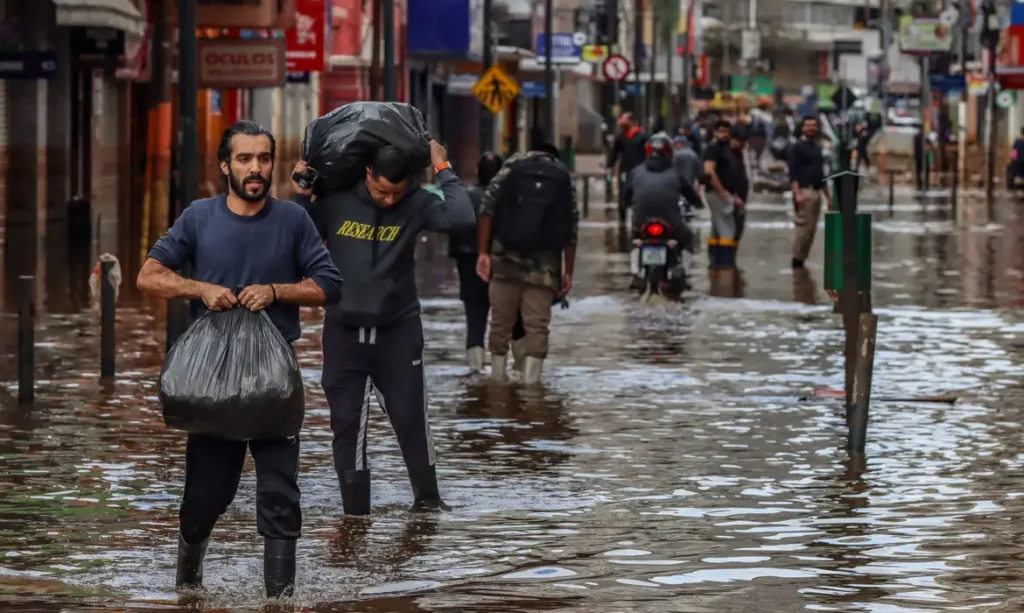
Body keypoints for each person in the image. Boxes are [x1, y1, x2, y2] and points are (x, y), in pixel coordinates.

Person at [136, 120, 344, 598]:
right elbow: (149, 276)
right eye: (245, 159)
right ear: (225, 165)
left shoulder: (294, 220)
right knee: (205, 498)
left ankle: (280, 599)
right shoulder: (199, 217)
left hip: (274, 382)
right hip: (212, 386)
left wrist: (276, 291)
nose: (256, 169)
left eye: (264, 159)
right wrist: (201, 288)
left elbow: (329, 285)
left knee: (280, 495)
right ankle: (187, 587)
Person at [292, 140, 474, 517]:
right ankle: (355, 517)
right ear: (367, 174)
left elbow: (462, 219)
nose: (389, 200)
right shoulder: (336, 200)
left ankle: (427, 505)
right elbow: (294, 235)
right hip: (343, 331)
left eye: (397, 192)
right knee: (347, 424)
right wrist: (302, 193)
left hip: (398, 330)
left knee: (410, 418)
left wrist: (443, 167)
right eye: (381, 191)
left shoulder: (418, 202)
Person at [476, 143, 578, 384]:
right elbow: (572, 228)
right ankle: (532, 390)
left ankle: (497, 385)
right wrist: (568, 272)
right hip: (545, 266)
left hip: (505, 260)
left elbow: (486, 209)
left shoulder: (511, 167)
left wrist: (483, 252)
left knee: (500, 324)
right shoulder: (562, 175)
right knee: (537, 327)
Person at [448, 152, 526, 372]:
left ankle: (475, 372)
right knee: (514, 320)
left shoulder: (464, 197)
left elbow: (453, 229)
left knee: (475, 319)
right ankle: (520, 370)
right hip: (504, 264)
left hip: (468, 263)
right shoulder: (512, 199)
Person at [624, 134, 702, 291]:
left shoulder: (636, 172)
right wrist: (699, 204)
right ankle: (684, 273)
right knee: (687, 238)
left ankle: (635, 272)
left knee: (634, 237)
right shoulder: (676, 174)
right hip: (671, 224)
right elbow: (692, 197)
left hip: (641, 223)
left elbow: (625, 198)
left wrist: (628, 204)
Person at [787, 115, 831, 269]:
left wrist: (828, 197)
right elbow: (793, 173)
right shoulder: (797, 147)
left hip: (817, 192)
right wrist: (797, 193)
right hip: (805, 192)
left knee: (812, 230)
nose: (811, 128)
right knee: (803, 229)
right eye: (808, 125)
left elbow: (821, 174)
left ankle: (802, 260)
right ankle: (796, 260)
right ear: (803, 128)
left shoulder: (817, 147)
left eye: (814, 125)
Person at [701, 120, 744, 268]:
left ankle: (715, 262)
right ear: (714, 133)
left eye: (726, 131)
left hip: (724, 193)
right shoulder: (713, 148)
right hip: (717, 194)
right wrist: (722, 192)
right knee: (727, 229)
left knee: (716, 228)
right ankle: (725, 264)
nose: (723, 135)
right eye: (720, 131)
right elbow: (709, 170)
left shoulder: (725, 149)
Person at [606, 112, 647, 222]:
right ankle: (622, 216)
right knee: (623, 191)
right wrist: (610, 166)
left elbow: (647, 153)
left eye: (623, 119)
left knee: (638, 193)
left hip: (639, 169)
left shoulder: (642, 136)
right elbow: (614, 152)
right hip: (625, 169)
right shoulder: (621, 136)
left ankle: (637, 216)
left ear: (631, 121)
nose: (621, 122)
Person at [729, 126, 751, 247]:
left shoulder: (739, 154)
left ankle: (731, 260)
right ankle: (725, 261)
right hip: (732, 200)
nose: (744, 144)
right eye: (741, 141)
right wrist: (734, 197)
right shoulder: (728, 155)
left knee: (738, 230)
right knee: (731, 231)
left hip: (741, 200)